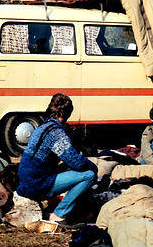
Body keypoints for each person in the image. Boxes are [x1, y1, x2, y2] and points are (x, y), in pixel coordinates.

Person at [17, 93, 97, 224]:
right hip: (37, 185)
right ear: (67, 114)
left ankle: (58, 204)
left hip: (26, 182)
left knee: (65, 168)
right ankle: (59, 214)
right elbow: (75, 162)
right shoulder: (56, 132)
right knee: (89, 175)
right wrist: (92, 165)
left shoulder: (42, 128)